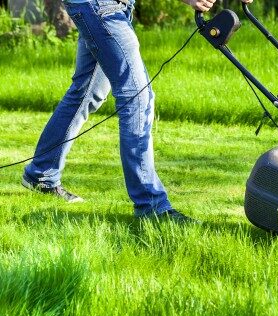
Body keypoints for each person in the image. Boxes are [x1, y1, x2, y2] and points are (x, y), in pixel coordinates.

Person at [21, 0, 252, 222]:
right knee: (137, 98)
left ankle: (41, 173)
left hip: (107, 7)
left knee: (86, 94)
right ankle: (150, 205)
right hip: (99, 7)